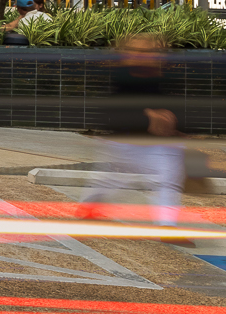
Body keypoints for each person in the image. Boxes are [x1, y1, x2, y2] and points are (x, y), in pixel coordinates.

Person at [78, 33, 183, 227]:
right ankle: (89, 206)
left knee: (167, 178)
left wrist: (173, 124)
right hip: (124, 142)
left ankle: (167, 225)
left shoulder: (160, 76)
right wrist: (148, 116)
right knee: (110, 179)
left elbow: (172, 106)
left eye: (149, 52)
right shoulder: (122, 77)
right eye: (138, 51)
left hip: (153, 143)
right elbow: (112, 114)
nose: (144, 55)